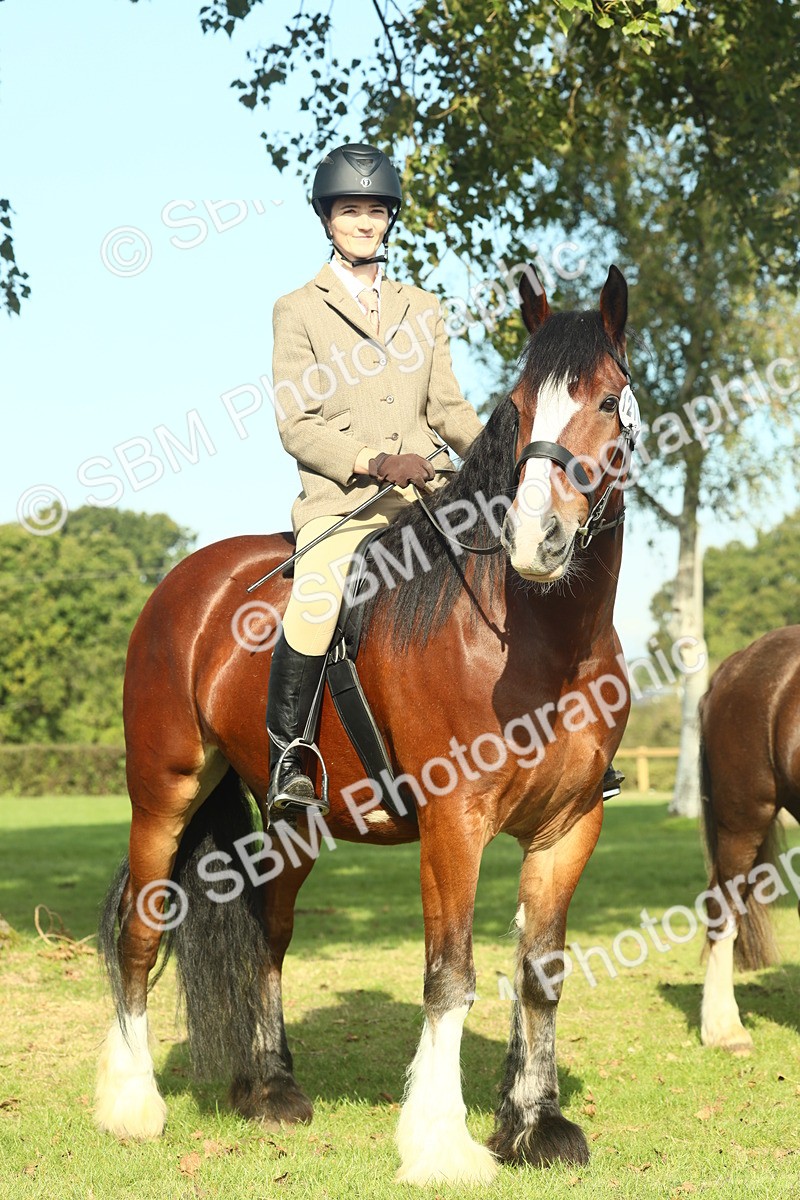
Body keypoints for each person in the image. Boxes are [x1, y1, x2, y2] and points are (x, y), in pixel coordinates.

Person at [266, 143, 484, 816]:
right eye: (349, 210)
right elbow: (295, 424)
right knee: (318, 593)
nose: (363, 222)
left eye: (374, 211)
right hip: (350, 502)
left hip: (432, 493)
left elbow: (446, 407)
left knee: (521, 561)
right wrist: (371, 460)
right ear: (327, 219)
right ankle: (291, 757)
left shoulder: (424, 308)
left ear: (390, 218)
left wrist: (502, 461)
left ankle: (569, 745)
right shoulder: (298, 308)